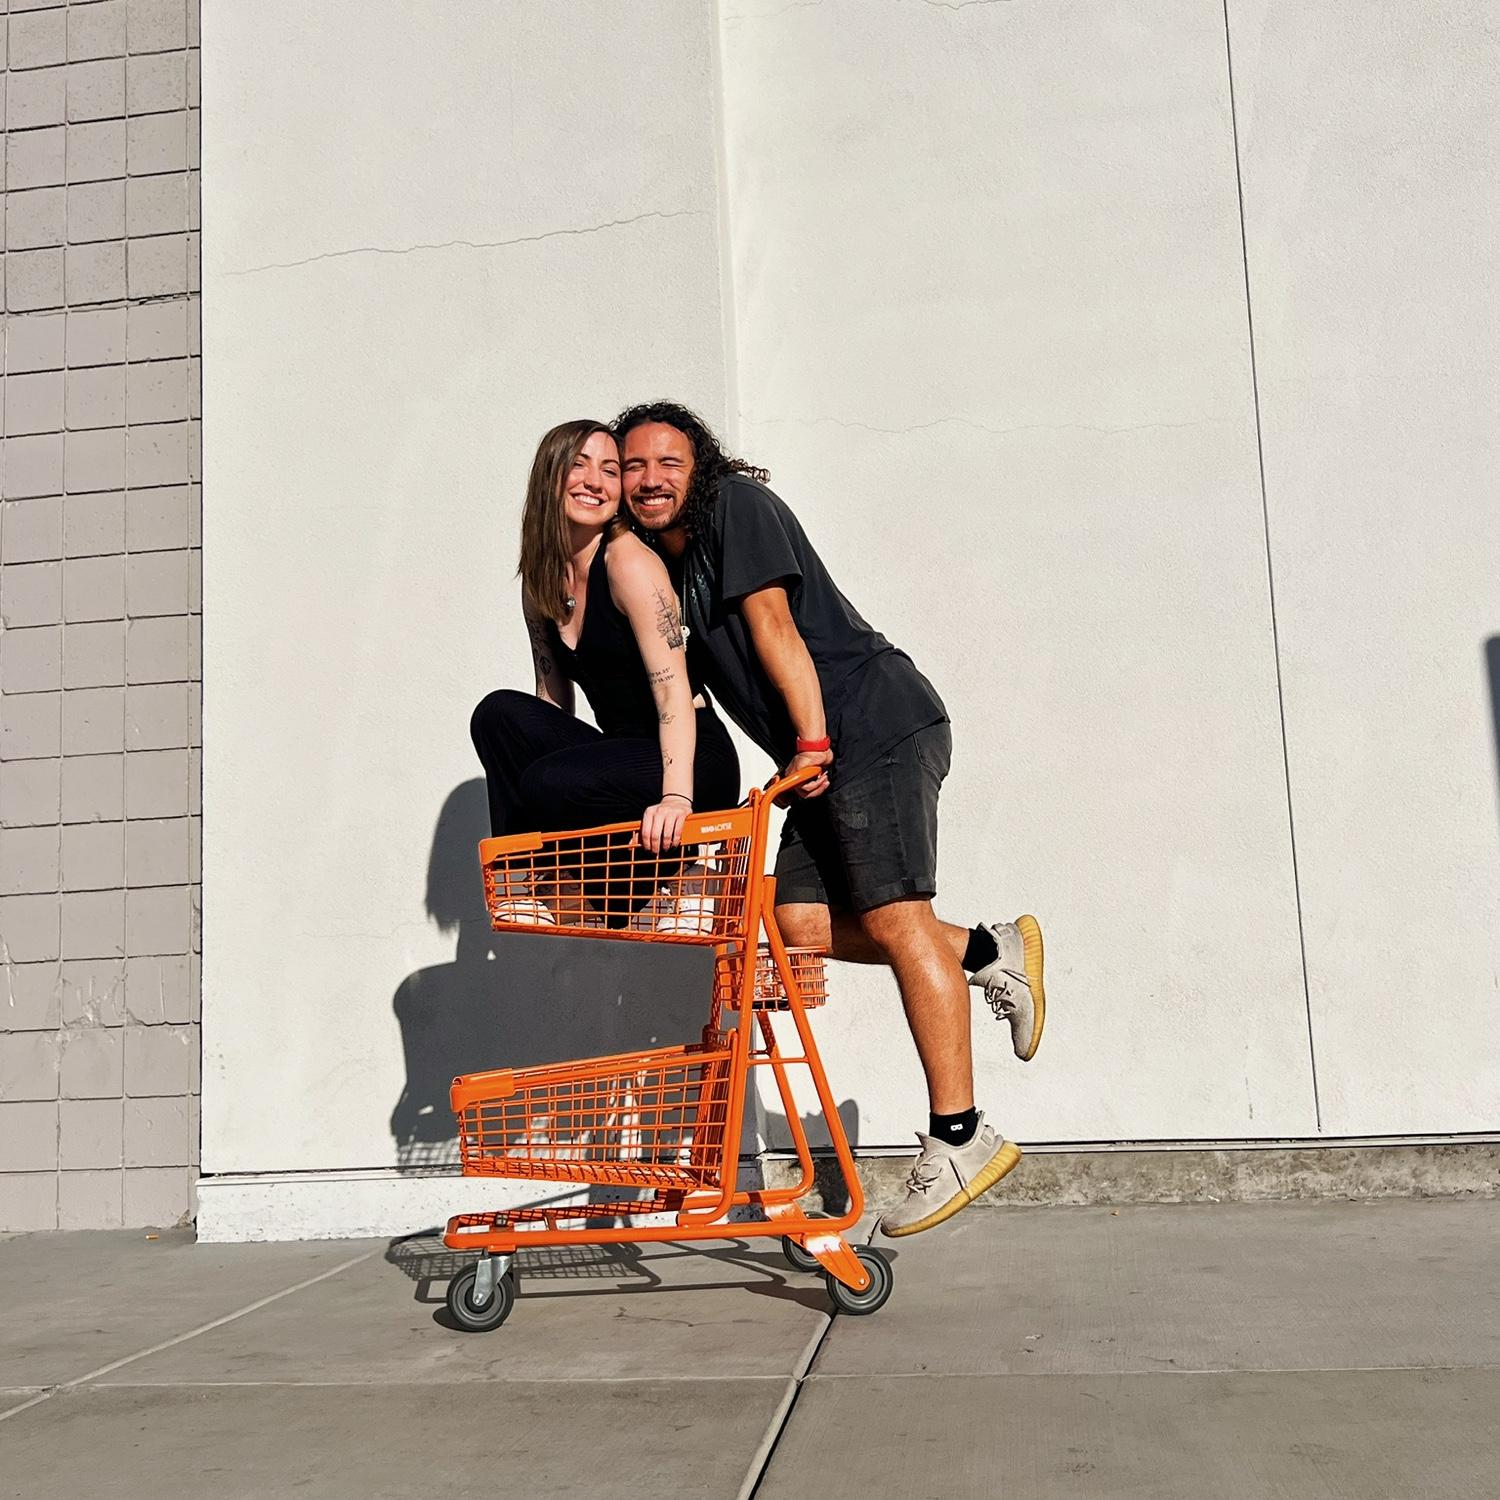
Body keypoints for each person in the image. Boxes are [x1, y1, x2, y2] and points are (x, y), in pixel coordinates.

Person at [616, 400, 1046, 1237]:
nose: (650, 479)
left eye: (668, 462)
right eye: (634, 466)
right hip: (819, 754)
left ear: (698, 466)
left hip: (869, 722)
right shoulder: (670, 567)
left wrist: (809, 741)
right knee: (798, 921)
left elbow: (775, 622)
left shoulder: (737, 508)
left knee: (895, 918)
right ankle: (994, 951)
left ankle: (960, 1136)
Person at [469, 420, 740, 926]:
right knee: (498, 715)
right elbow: (549, 701)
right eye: (579, 464)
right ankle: (536, 878)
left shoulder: (629, 565)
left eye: (610, 470)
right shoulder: (541, 581)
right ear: (549, 477)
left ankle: (689, 871)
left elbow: (674, 694)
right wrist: (537, 780)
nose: (595, 481)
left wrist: (677, 798)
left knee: (549, 780)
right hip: (621, 758)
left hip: (690, 758)